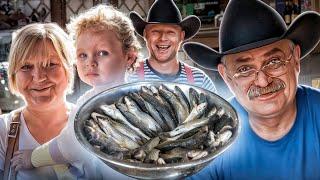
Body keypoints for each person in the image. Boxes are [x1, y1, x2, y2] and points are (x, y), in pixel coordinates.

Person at [183, 0, 320, 179]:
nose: (263, 82)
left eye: (274, 61)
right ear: (226, 77)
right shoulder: (209, 136)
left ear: (295, 59)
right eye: (244, 69)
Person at [10, 5, 140, 179]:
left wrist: (33, 158)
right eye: (82, 55)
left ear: (129, 57)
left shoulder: (89, 103)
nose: (90, 62)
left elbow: (69, 146)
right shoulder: (138, 92)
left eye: (102, 53)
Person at [0, 23, 75, 179]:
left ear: (69, 69)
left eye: (51, 64)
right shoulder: (3, 131)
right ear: (13, 74)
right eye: (26, 66)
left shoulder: (91, 125)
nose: (39, 77)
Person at [127, 0, 216, 92]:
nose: (163, 38)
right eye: (155, 32)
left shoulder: (201, 81)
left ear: (181, 36)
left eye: (171, 32)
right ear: (145, 34)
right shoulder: (129, 77)